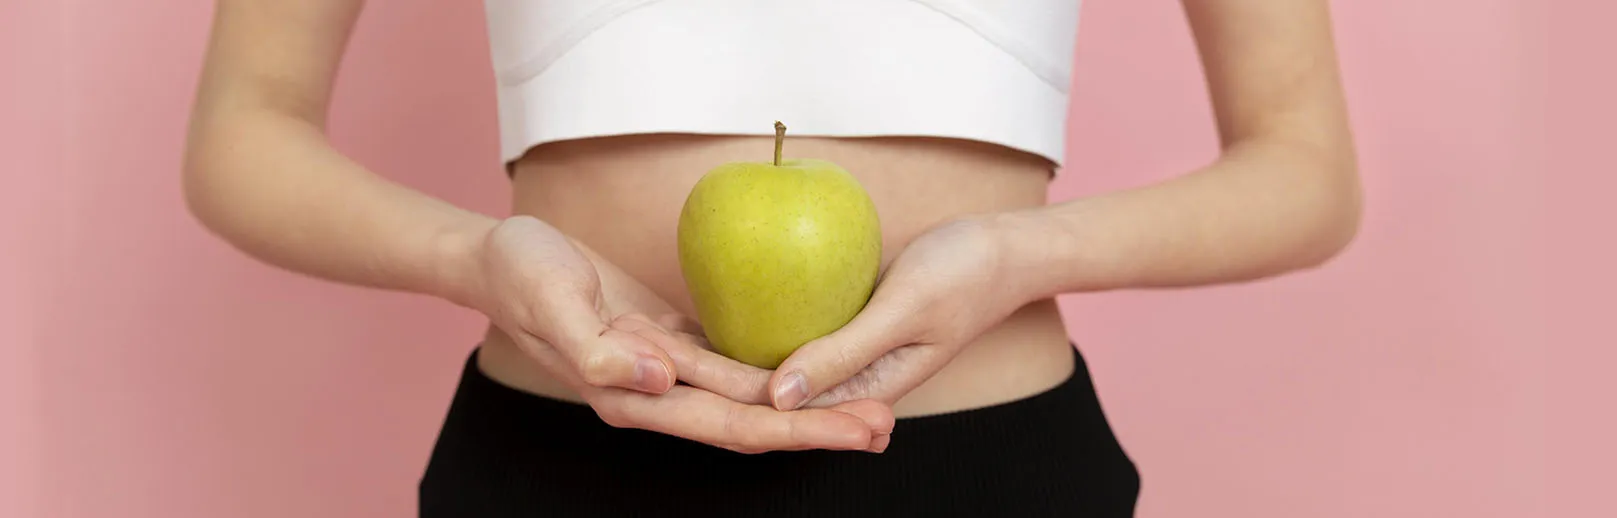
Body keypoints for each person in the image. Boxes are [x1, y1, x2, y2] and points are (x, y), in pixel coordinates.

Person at [182, 0, 1361, 516]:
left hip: (981, 479)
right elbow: (246, 127)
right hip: (564, 470)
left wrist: (1017, 254)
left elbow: (1305, 167)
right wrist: (476, 256)